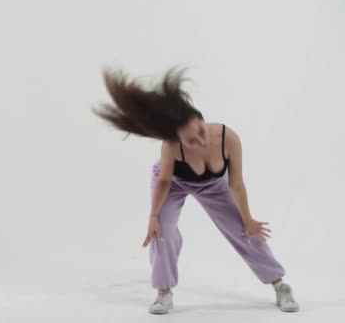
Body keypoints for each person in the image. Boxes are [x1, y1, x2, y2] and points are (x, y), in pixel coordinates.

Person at [91, 66, 299, 314]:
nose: (201, 141)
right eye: (191, 140)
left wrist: (248, 218)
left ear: (201, 119)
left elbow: (236, 184)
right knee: (162, 232)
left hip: (214, 186)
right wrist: (154, 217)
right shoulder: (171, 147)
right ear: (178, 140)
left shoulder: (227, 137)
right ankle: (163, 292)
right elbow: (165, 181)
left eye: (200, 131)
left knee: (244, 228)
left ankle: (279, 285)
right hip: (174, 183)